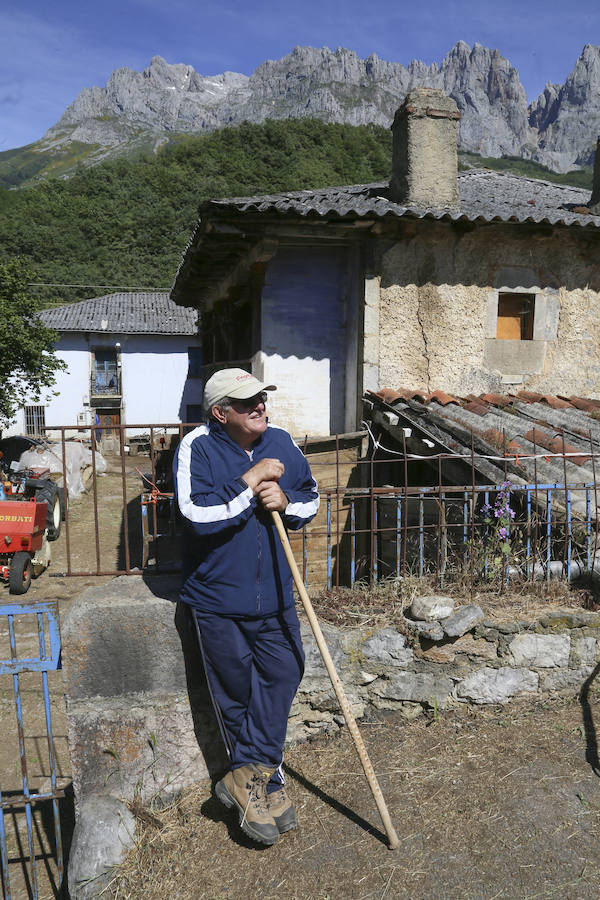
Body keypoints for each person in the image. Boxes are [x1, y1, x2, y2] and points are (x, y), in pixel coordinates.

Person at [173, 368, 320, 846]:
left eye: (261, 397)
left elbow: (312, 498)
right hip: (217, 599)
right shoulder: (197, 447)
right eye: (246, 402)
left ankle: (246, 778)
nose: (259, 406)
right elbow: (195, 514)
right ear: (220, 413)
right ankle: (265, 787)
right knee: (235, 696)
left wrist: (286, 501)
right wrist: (250, 481)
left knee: (285, 672)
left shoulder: (281, 441)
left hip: (276, 594)